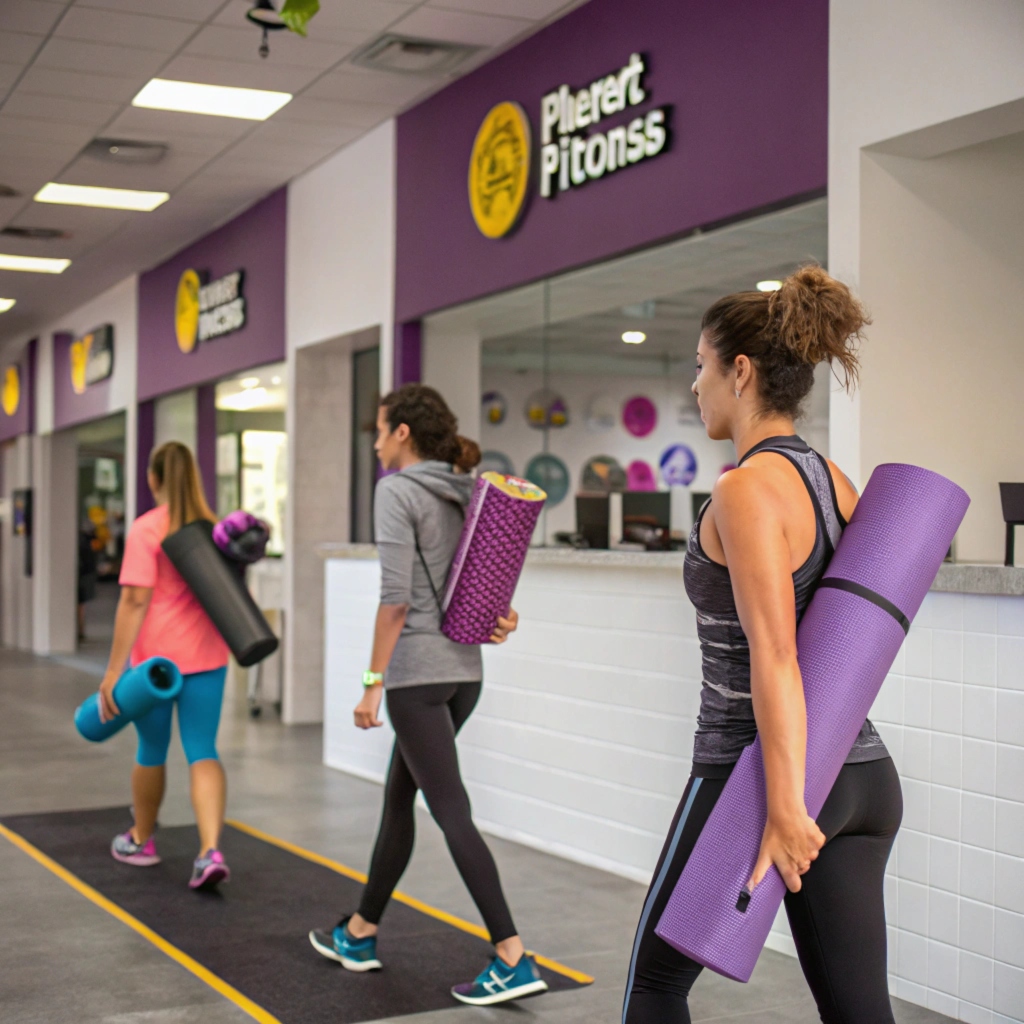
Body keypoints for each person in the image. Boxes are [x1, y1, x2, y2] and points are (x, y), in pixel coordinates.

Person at [622, 267, 901, 1023]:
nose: (694, 386)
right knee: (859, 1012)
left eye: (701, 366)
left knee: (653, 986)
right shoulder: (836, 482)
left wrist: (783, 807)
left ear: (739, 372)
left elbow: (776, 657)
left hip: (755, 778)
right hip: (862, 778)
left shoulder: (745, 491)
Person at [309, 384, 548, 1007]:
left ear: (403, 434)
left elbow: (396, 599)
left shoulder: (396, 491)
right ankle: (360, 932)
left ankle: (512, 955)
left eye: (380, 428)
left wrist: (370, 685)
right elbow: (482, 581)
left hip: (416, 676)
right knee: (399, 802)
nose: (376, 440)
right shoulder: (467, 490)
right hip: (464, 675)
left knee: (450, 810)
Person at [98, 442, 232, 891]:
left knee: (151, 750)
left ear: (153, 478)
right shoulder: (213, 528)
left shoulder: (146, 529)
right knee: (203, 750)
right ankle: (209, 851)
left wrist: (114, 672)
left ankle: (141, 840)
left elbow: (135, 599)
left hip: (155, 666)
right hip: (208, 658)